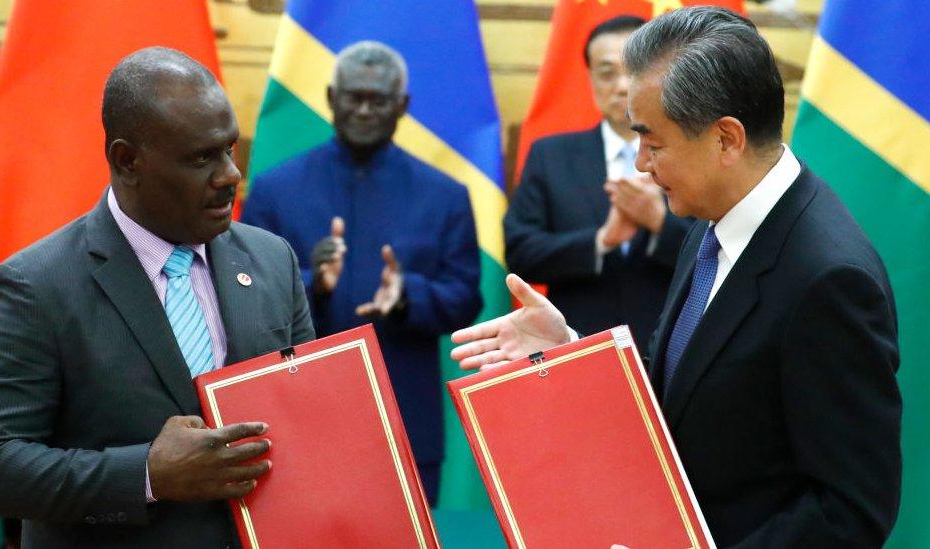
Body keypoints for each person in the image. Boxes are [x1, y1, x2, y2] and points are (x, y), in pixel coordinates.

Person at [451, 7, 901, 547]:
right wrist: (573, 352)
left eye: (654, 143)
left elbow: (850, 513)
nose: (639, 163)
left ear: (727, 139)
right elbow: (692, 386)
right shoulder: (713, 217)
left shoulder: (829, 279)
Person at [0, 47, 315, 548]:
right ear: (127, 161)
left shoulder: (272, 259)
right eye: (200, 158)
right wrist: (146, 474)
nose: (230, 176)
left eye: (229, 150)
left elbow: (306, 423)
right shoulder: (38, 285)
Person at [241, 41, 482, 506]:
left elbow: (466, 297)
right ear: (332, 98)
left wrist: (408, 295)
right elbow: (243, 296)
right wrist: (314, 284)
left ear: (403, 106)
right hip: (299, 412)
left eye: (380, 100)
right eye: (354, 98)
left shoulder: (445, 195)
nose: (365, 111)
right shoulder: (274, 189)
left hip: (406, 416)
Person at [504, 15, 690, 343]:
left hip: (675, 345)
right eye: (607, 73)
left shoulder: (690, 150)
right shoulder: (551, 156)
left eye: (633, 71)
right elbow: (521, 253)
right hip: (579, 345)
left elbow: (722, 251)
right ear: (590, 78)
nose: (621, 86)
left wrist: (660, 222)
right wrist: (602, 240)